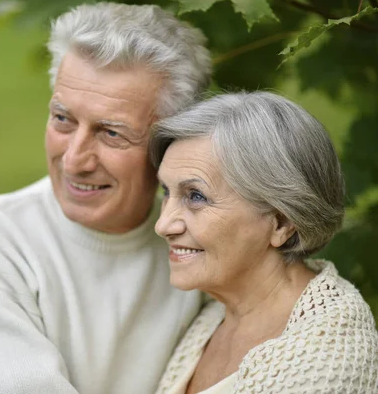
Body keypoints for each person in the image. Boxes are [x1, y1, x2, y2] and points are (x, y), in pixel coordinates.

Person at [0, 2, 211, 394]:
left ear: (170, 143)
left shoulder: (206, 245)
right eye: (63, 119)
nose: (74, 160)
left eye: (111, 133)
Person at [151, 91, 378, 394]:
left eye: (195, 196)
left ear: (281, 223)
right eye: (167, 191)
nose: (163, 224)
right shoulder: (215, 313)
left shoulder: (326, 360)